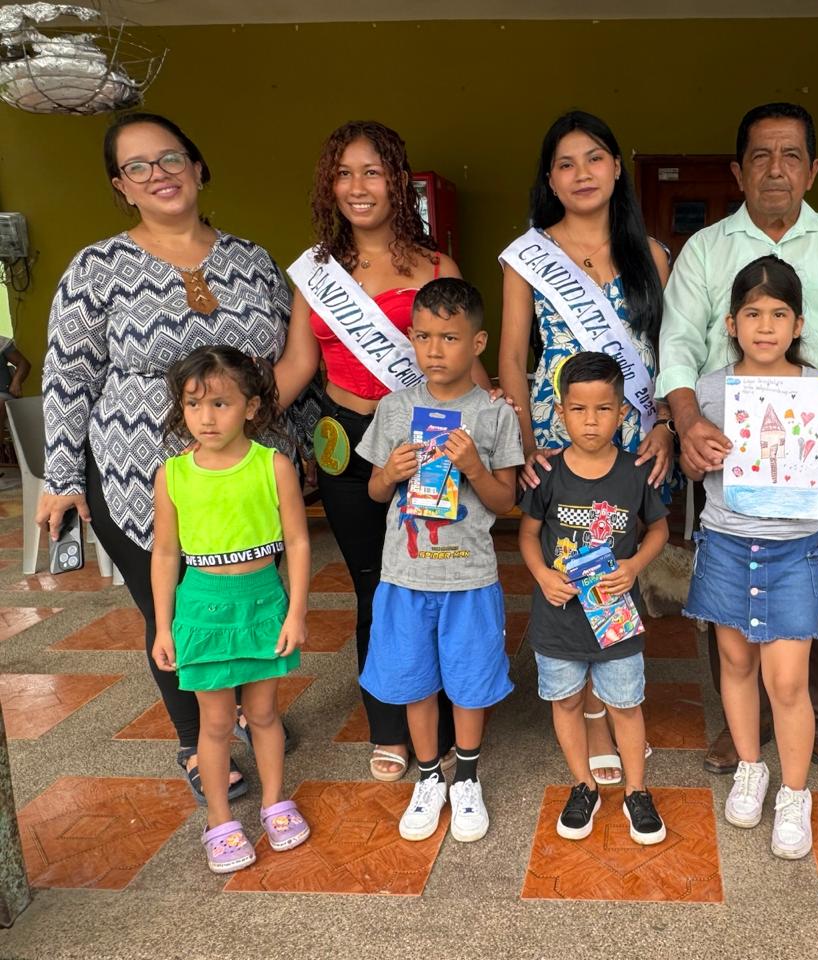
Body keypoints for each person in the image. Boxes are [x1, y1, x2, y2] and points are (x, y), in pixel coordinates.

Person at [39, 113, 297, 802]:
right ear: (120, 186)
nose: (159, 174)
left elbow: (287, 361)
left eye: (171, 158)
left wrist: (301, 450)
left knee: (248, 593)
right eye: (138, 166)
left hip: (248, 474)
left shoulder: (253, 260)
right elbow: (67, 375)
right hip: (139, 474)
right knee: (175, 606)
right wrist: (62, 475)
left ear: (198, 166)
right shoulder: (96, 267)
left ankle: (252, 711)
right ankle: (196, 737)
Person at [657, 102, 818, 797]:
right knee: (729, 591)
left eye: (791, 155)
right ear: (738, 171)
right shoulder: (705, 250)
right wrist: (686, 421)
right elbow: (677, 343)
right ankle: (748, 726)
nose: (776, 169)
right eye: (761, 155)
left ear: (813, 169)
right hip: (728, 450)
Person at [274, 120, 469, 782]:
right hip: (346, 444)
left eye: (373, 172)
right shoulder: (317, 273)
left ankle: (445, 721)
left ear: (398, 181)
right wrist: (233, 419)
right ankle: (388, 721)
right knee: (374, 586)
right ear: (330, 185)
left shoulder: (438, 267)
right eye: (344, 173)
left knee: (433, 578)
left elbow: (463, 363)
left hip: (424, 442)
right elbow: (298, 365)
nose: (357, 186)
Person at [498, 110, 673, 787]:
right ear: (550, 178)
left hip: (634, 426)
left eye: (594, 158)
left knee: (621, 553)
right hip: (560, 429)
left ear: (617, 167)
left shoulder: (650, 254)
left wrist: (665, 423)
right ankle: (593, 711)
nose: (581, 174)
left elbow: (668, 350)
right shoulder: (529, 254)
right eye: (566, 163)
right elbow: (513, 356)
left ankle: (616, 693)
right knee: (573, 556)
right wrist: (524, 442)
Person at [682, 255, 818, 859]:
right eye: (752, 314)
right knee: (735, 663)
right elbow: (693, 468)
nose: (765, 326)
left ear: (798, 324)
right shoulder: (710, 389)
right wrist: (698, 457)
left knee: (787, 681)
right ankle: (750, 767)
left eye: (779, 314)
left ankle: (794, 792)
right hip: (725, 541)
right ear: (731, 324)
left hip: (793, 550)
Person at [356, 278, 523, 843]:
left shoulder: (493, 415)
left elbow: (506, 501)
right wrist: (390, 472)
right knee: (414, 681)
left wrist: (474, 467)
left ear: (477, 343)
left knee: (470, 682)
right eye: (423, 336)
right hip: (406, 576)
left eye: (449, 338)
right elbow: (375, 491)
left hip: (469, 576)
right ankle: (429, 776)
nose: (433, 350)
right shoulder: (395, 408)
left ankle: (466, 777)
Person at [151, 346, 311, 874]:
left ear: (251, 406)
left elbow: (298, 541)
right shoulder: (173, 475)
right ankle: (219, 821)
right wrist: (164, 627)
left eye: (220, 403)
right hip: (201, 610)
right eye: (193, 404)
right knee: (215, 722)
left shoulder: (273, 466)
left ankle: (274, 803)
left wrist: (296, 612)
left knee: (263, 714)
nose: (206, 417)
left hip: (262, 603)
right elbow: (166, 553)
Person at [518, 352, 670, 844]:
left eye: (603, 409)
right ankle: (583, 785)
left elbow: (659, 529)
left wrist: (634, 566)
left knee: (625, 704)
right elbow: (527, 534)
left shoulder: (634, 472)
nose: (590, 421)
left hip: (615, 620)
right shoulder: (547, 474)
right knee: (565, 702)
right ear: (560, 412)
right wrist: (542, 574)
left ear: (622, 412)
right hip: (558, 618)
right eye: (579, 409)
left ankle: (636, 791)